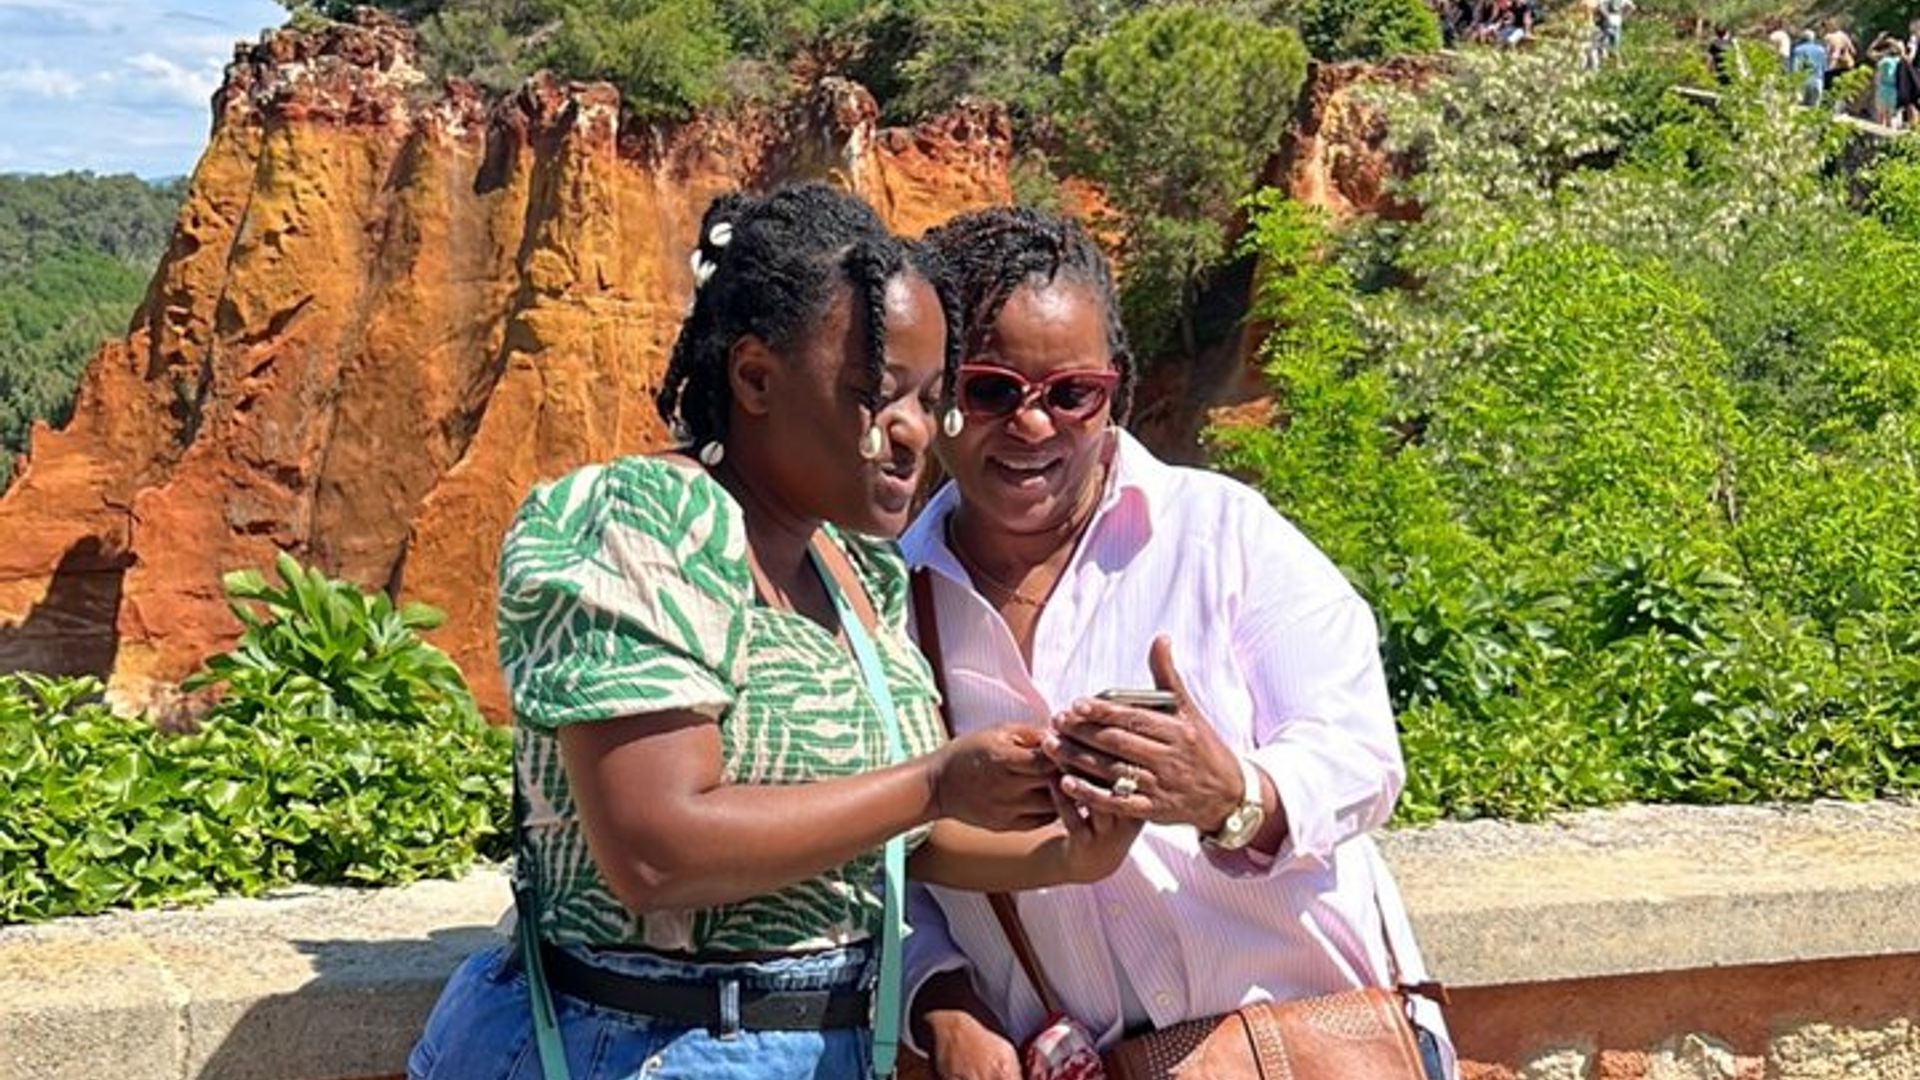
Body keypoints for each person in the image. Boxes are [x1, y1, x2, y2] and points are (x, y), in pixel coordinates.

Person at [407, 184, 1139, 1080]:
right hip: (637, 1042)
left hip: (826, 1044)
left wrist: (1069, 851)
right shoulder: (639, 519)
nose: (913, 433)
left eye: (929, 396)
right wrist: (938, 779)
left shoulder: (853, 566)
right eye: (876, 394)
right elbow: (655, 849)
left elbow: (887, 835)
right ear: (755, 377)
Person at [900, 206, 1455, 1080]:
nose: (1034, 426)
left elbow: (1360, 757)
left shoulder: (1221, 536)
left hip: (1303, 1045)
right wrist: (935, 997)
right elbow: (885, 858)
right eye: (992, 389)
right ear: (938, 393)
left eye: (1070, 394)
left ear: (1113, 387)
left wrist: (1232, 793)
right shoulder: (891, 602)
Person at [1791, 30, 1829, 107]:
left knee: (1799, 108)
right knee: (1814, 109)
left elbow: (1795, 66)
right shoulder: (1821, 50)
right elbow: (1824, 67)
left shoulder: (1798, 49)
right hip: (1817, 80)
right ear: (1813, 38)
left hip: (1803, 80)